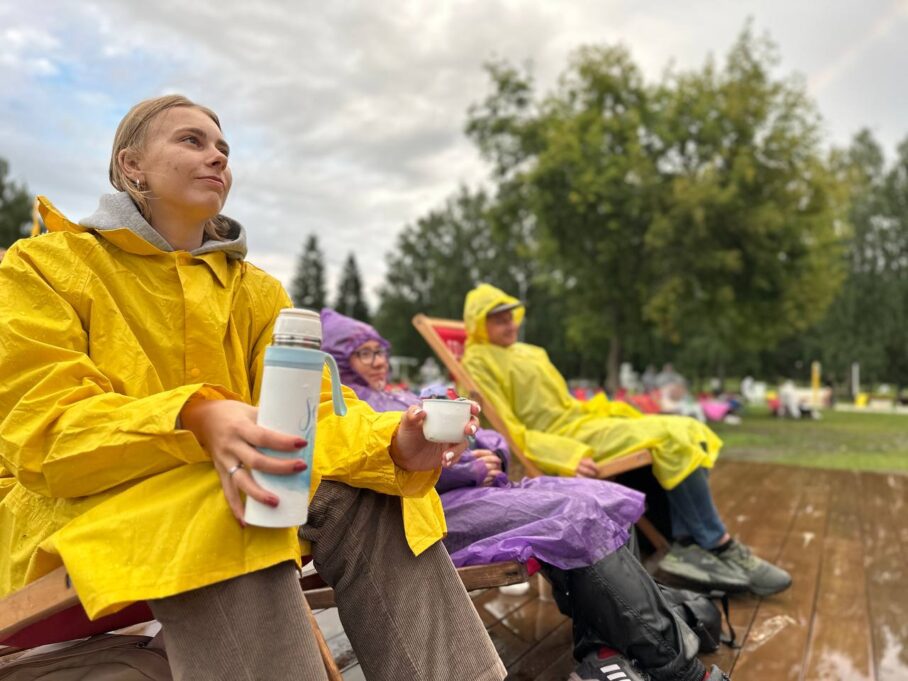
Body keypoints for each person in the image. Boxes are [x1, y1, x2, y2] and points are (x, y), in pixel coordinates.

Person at [0, 95, 506, 681]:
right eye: (191, 141)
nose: (217, 156)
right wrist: (194, 418)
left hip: (222, 500)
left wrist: (395, 443)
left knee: (372, 494)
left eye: (223, 148)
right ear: (130, 164)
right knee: (234, 495)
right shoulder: (43, 267)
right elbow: (45, 430)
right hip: (66, 516)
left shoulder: (257, 292)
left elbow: (311, 422)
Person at [321, 308, 731, 681]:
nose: (378, 361)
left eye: (380, 351)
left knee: (604, 498)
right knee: (576, 518)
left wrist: (492, 453)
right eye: (363, 354)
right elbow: (373, 467)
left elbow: (486, 435)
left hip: (481, 493)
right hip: (428, 511)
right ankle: (679, 670)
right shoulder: (348, 409)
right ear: (338, 360)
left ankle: (605, 652)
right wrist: (469, 468)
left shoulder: (398, 396)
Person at [461, 284, 792, 597]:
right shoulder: (477, 361)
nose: (510, 323)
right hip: (561, 438)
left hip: (582, 422)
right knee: (672, 437)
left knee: (689, 428)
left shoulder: (531, 352)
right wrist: (564, 456)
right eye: (498, 318)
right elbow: (507, 430)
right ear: (478, 324)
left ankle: (688, 543)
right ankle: (719, 544)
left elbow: (566, 403)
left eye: (511, 315)